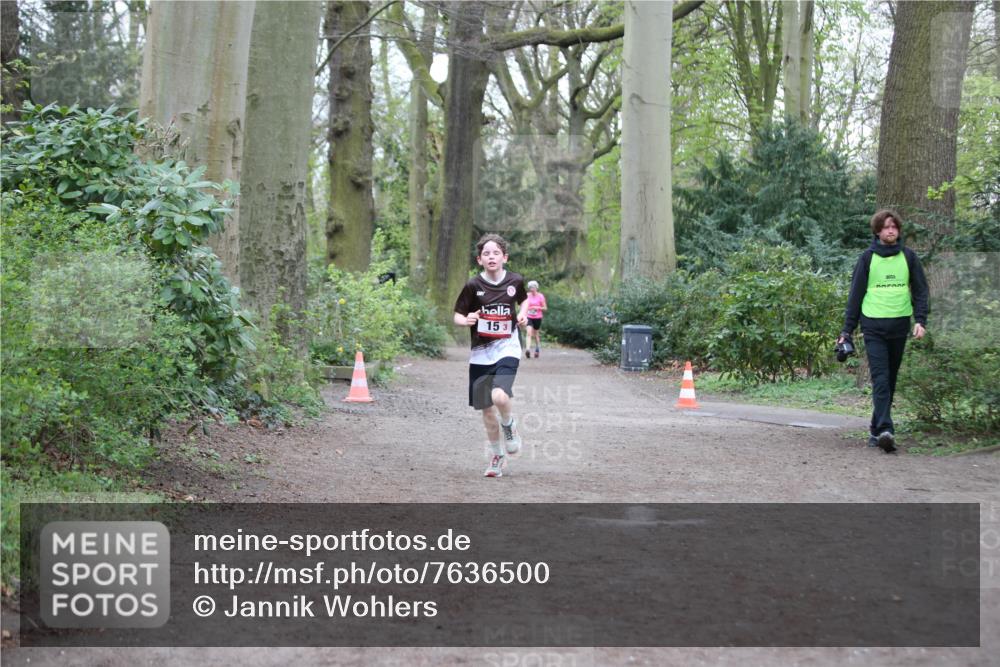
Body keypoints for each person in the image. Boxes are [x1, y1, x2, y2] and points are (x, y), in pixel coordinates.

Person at [838, 209, 928, 453]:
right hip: (873, 326)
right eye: (886, 227)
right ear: (878, 231)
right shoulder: (867, 258)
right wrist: (847, 330)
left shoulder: (909, 257)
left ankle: (875, 429)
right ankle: (887, 429)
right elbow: (855, 296)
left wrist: (921, 320)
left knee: (890, 378)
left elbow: (920, 290)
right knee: (880, 378)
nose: (891, 231)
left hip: (899, 326)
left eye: (894, 227)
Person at [453, 233, 530, 477]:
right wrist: (467, 320)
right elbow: (457, 315)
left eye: (496, 252)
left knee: (499, 396)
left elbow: (525, 301)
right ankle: (497, 456)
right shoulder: (473, 285)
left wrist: (522, 315)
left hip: (507, 347)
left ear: (504, 257)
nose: (491, 256)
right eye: (486, 253)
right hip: (480, 354)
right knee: (486, 409)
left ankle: (509, 425)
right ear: (479, 260)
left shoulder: (515, 281)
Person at [524, 280, 548, 359]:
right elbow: (524, 306)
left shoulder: (540, 296)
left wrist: (537, 307)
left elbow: (545, 308)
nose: (532, 289)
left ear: (536, 287)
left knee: (536, 334)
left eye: (533, 287)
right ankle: (527, 349)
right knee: (528, 333)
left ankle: (537, 349)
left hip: (537, 317)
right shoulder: (527, 295)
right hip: (529, 316)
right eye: (530, 287)